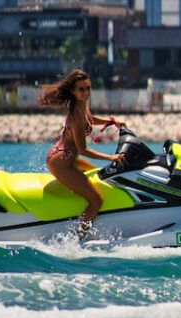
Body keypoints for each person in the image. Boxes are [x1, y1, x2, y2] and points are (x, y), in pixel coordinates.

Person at [39, 69, 125, 240]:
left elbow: (90, 119)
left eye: (88, 88)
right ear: (73, 91)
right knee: (97, 200)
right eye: (81, 89)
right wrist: (111, 158)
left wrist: (111, 121)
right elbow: (83, 150)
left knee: (96, 176)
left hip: (66, 157)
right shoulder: (76, 116)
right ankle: (77, 240)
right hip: (61, 162)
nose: (86, 92)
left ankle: (85, 217)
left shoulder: (81, 104)